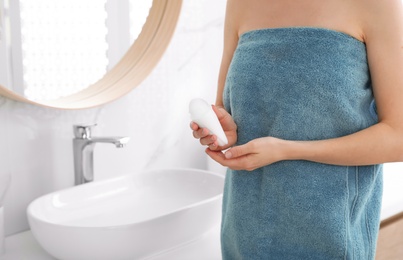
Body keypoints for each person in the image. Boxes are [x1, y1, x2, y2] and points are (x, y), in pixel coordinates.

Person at [190, 0, 403, 259]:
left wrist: (287, 150)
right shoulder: (240, 4)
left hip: (329, 238)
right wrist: (225, 132)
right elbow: (228, 110)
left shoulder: (375, 5)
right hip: (245, 234)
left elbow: (397, 136)